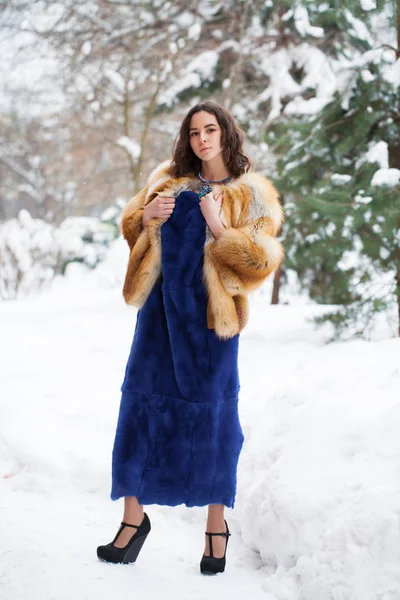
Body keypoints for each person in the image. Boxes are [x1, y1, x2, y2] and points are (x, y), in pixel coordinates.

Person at [96, 101, 284, 574]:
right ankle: (132, 521)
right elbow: (128, 227)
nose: (202, 139)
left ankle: (215, 528)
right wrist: (146, 218)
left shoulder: (252, 195)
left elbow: (260, 262)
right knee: (140, 409)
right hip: (159, 320)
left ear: (226, 134)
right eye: (194, 131)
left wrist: (219, 226)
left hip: (210, 326)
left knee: (213, 421)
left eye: (211, 129)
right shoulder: (168, 179)